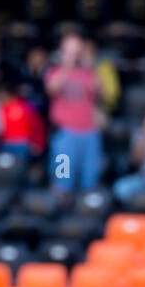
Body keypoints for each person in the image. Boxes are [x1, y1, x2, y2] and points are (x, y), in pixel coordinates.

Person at [45, 33, 103, 192]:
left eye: (76, 51)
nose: (73, 55)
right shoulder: (55, 71)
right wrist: (67, 67)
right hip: (64, 134)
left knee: (90, 179)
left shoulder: (88, 73)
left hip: (89, 132)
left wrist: (91, 67)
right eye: (69, 51)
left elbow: (101, 93)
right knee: (62, 179)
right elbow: (51, 89)